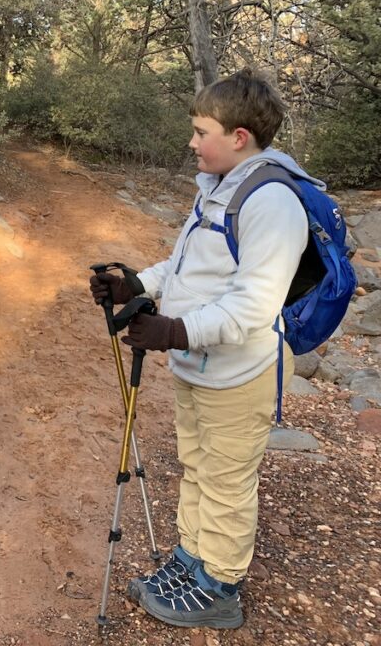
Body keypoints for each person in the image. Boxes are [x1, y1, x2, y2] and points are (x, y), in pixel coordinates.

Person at [90, 70, 311, 629]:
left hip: (241, 372)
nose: (192, 141)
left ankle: (220, 587)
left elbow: (254, 307)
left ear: (238, 136)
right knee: (197, 465)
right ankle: (193, 560)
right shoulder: (218, 185)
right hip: (201, 366)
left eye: (200, 130)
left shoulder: (272, 203)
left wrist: (173, 332)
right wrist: (136, 285)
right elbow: (186, 266)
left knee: (227, 479)